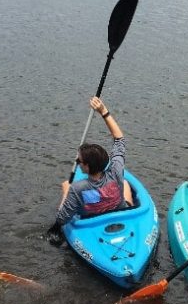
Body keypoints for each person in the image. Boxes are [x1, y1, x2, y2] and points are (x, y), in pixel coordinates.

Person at [55, 97, 133, 227]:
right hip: (119, 211)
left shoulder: (77, 188)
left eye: (79, 160)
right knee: (124, 183)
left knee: (66, 186)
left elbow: (62, 219)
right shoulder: (116, 170)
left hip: (93, 222)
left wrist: (66, 192)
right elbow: (119, 139)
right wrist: (104, 111)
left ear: (87, 166)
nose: (77, 161)